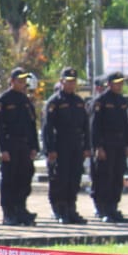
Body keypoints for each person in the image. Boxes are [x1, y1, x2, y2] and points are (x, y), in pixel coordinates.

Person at [42, 67, 89, 224]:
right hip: (60, 145)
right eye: (68, 81)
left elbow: (86, 126)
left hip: (75, 145)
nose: (71, 84)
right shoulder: (54, 102)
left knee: (74, 178)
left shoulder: (79, 102)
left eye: (73, 81)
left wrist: (87, 147)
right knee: (60, 179)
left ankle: (71, 209)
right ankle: (60, 210)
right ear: (61, 82)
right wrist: (50, 149)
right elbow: (47, 128)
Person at [0, 68, 39, 225]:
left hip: (24, 145)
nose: (22, 84)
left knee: (24, 177)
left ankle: (21, 209)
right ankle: (8, 212)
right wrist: (3, 149)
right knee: (9, 179)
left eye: (24, 81)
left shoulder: (25, 100)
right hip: (10, 145)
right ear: (12, 81)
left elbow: (32, 125)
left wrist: (34, 146)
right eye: (19, 81)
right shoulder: (3, 100)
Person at [90, 72, 128, 222]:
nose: (120, 86)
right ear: (109, 84)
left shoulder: (121, 100)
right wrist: (98, 147)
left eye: (121, 83)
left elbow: (125, 125)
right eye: (117, 83)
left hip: (119, 144)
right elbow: (95, 127)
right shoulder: (100, 101)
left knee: (117, 176)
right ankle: (103, 209)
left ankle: (113, 208)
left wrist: (127, 145)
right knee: (104, 177)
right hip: (106, 145)